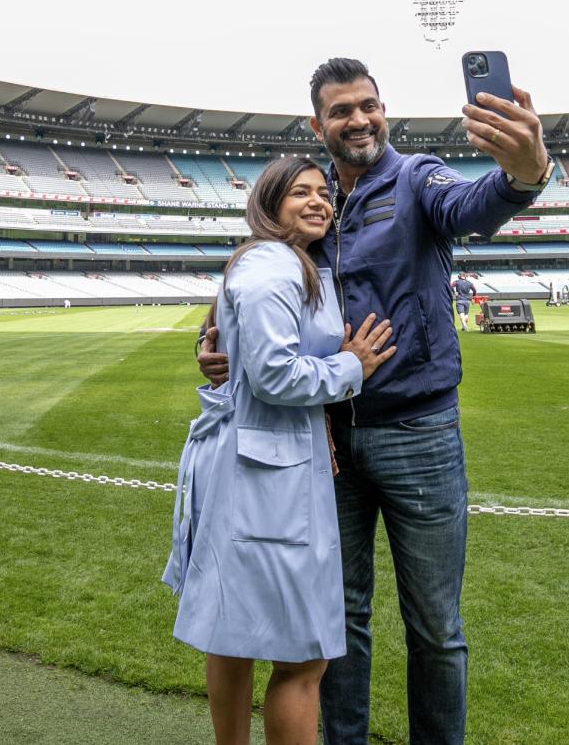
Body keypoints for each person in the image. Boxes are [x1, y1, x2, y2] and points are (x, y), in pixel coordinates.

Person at [199, 58, 551, 745]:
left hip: (419, 433)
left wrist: (524, 174)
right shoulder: (311, 200)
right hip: (325, 443)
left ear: (383, 110)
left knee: (435, 627)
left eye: (369, 105)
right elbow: (255, 291)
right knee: (337, 620)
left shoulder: (417, 178)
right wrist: (213, 346)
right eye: (342, 111)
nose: (359, 119)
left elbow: (471, 207)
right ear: (318, 125)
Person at [163, 156, 396, 745]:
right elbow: (274, 375)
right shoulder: (274, 268)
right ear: (270, 204)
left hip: (255, 467)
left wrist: (213, 351)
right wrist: (351, 366)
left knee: (232, 634)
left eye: (323, 193)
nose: (318, 201)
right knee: (302, 655)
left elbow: (234, 349)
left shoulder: (276, 263)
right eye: (300, 192)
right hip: (269, 477)